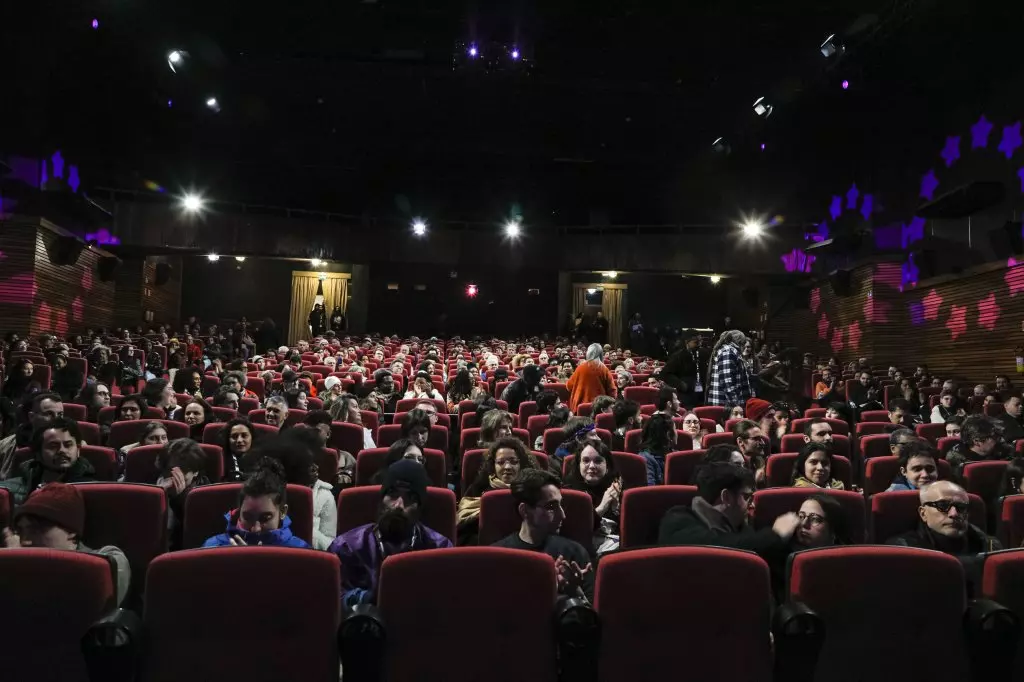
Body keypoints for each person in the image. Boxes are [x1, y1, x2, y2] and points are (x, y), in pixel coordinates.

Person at [331, 460, 453, 612]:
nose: (399, 506)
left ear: (420, 508)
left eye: (411, 498)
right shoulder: (347, 546)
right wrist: (371, 597)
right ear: (381, 499)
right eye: (393, 494)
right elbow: (331, 599)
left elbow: (448, 602)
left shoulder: (439, 549)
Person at [2, 483, 131, 606]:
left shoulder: (108, 557)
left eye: (36, 530)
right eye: (21, 531)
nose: (25, 541)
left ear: (71, 532)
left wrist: (19, 566)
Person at [658, 462, 800, 565]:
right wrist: (776, 535)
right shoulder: (677, 520)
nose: (752, 504)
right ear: (726, 497)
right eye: (746, 497)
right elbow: (721, 549)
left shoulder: (739, 524)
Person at [492, 469, 595, 602]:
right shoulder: (498, 557)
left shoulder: (574, 553)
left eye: (560, 505)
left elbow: (592, 617)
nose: (563, 515)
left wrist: (574, 591)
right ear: (525, 511)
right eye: (551, 506)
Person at [885, 481, 1000, 592]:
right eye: (942, 505)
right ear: (923, 513)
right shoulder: (903, 550)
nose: (954, 514)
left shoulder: (990, 546)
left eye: (961, 507)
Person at [203, 457, 310, 548]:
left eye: (265, 518)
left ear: (282, 512)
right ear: (239, 510)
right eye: (248, 518)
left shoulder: (301, 552)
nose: (256, 529)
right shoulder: (213, 547)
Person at [457, 437, 537, 545]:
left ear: (521, 464)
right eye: (501, 462)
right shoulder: (479, 488)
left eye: (513, 462)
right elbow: (463, 532)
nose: (507, 467)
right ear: (493, 465)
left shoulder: (532, 489)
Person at [0, 417, 97, 505]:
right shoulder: (10, 490)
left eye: (68, 445)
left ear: (78, 450)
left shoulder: (90, 490)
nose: (62, 450)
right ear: (38, 454)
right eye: (53, 446)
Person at [563, 441, 622, 555]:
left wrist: (617, 509)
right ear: (578, 465)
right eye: (585, 461)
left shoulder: (618, 488)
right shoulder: (569, 492)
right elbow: (575, 532)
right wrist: (602, 507)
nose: (591, 466)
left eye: (598, 461)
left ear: (608, 466)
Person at [156, 439, 210, 550]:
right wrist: (158, 496)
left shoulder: (206, 493)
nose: (176, 476)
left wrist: (179, 499)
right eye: (170, 470)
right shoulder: (155, 485)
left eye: (183, 471)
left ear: (196, 472)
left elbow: (198, 533)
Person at [0, 392, 65, 479]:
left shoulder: (74, 446)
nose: (57, 420)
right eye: (49, 414)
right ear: (31, 417)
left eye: (60, 414)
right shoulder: (5, 445)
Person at [947, 415, 1012, 477]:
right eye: (995, 437)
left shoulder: (1005, 451)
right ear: (977, 441)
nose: (1002, 440)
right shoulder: (957, 462)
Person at [660, 330, 708, 408]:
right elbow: (665, 374)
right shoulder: (678, 356)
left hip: (702, 395)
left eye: (700, 341)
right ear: (687, 342)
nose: (699, 344)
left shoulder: (704, 353)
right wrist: (682, 385)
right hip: (686, 396)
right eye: (696, 342)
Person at [705, 330, 753, 407]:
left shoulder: (729, 351)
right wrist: (736, 404)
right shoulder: (728, 351)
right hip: (726, 404)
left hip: (726, 403)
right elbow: (727, 381)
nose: (744, 347)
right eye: (744, 344)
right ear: (740, 342)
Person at [565, 344, 617, 414]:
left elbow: (569, 386)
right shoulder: (604, 369)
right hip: (599, 407)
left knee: (584, 425)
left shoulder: (580, 367)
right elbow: (612, 391)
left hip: (580, 407)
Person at [639, 413, 677, 486]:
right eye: (675, 429)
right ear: (668, 435)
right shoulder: (645, 459)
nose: (677, 433)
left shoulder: (676, 455)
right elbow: (650, 491)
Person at [220, 417, 257, 481]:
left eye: (244, 435)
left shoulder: (263, 460)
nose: (239, 440)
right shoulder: (220, 460)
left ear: (252, 438)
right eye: (234, 436)